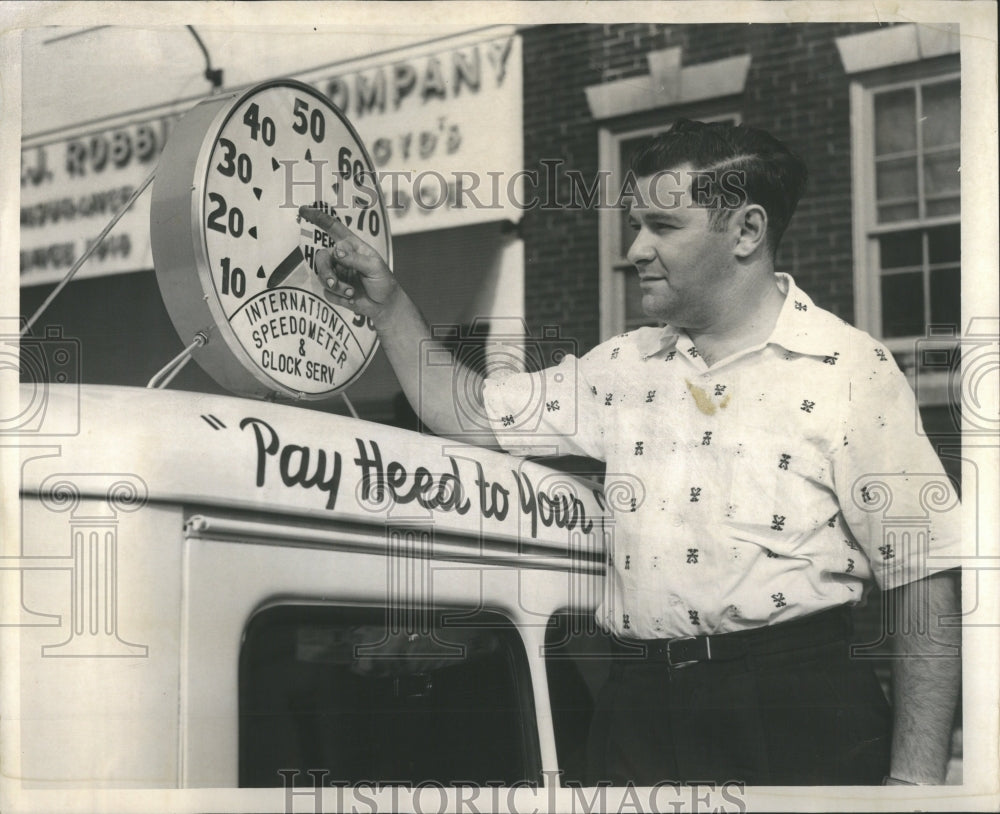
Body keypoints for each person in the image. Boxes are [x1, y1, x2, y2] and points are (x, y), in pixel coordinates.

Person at [299, 119, 961, 786]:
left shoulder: (848, 368)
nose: (636, 248)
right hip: (640, 711)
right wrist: (387, 309)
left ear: (748, 231)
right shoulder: (622, 366)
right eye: (637, 224)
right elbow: (468, 413)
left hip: (795, 713)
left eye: (663, 226)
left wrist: (915, 785)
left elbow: (923, 578)